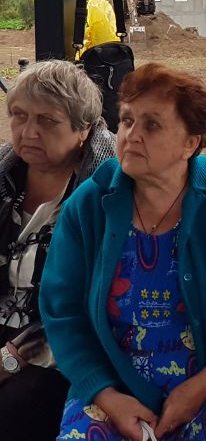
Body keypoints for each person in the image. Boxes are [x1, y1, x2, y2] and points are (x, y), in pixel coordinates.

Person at [41, 62, 206, 441]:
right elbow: (63, 314)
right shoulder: (89, 205)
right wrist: (107, 397)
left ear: (191, 143)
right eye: (126, 120)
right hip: (118, 390)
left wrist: (199, 387)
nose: (132, 135)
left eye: (152, 125)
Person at [0, 61, 115, 437]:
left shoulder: (108, 195)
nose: (28, 131)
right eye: (19, 116)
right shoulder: (3, 175)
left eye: (47, 121)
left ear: (84, 129)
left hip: (61, 351)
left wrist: (11, 359)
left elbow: (88, 302)